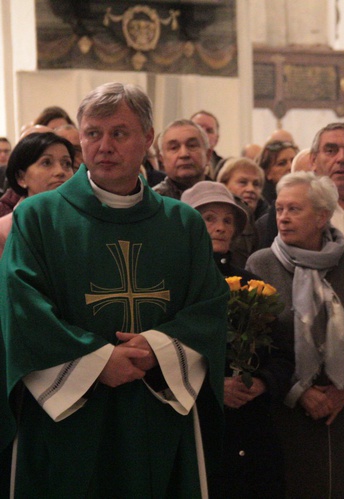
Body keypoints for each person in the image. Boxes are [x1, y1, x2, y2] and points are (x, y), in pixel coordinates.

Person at [0, 82, 228, 497]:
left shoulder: (183, 224)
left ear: (147, 140)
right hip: (66, 415)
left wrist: (156, 348)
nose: (103, 145)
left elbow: (209, 306)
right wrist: (97, 361)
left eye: (119, 133)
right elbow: (21, 307)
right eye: (92, 133)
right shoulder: (37, 217)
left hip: (155, 406)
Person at [246, 172, 344, 498]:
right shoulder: (262, 264)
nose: (282, 218)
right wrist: (299, 392)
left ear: (322, 216)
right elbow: (255, 343)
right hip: (286, 410)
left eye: (294, 209)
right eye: (279, 209)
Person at [182, 180, 290, 498]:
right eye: (209, 218)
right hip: (198, 427)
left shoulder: (251, 283)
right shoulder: (173, 284)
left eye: (228, 220)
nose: (220, 227)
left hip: (251, 428)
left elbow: (283, 352)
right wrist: (215, 384)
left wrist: (262, 382)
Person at [0, 132, 75, 258]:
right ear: (21, 177)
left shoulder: (83, 222)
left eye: (66, 164)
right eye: (46, 163)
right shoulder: (5, 230)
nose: (60, 172)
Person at [217, 157, 269, 267]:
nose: (250, 189)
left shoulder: (268, 219)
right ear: (223, 185)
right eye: (242, 182)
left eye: (256, 184)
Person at [153, 119, 210, 199]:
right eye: (174, 148)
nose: (184, 154)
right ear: (162, 159)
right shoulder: (153, 203)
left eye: (192, 145)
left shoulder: (223, 198)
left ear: (208, 155)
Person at [259, 140, 299, 204]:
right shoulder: (264, 204)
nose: (290, 167)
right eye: (282, 163)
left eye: (293, 161)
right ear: (267, 173)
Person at [191, 110, 222, 179]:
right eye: (198, 128)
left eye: (209, 130)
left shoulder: (224, 167)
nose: (203, 134)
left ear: (216, 139)